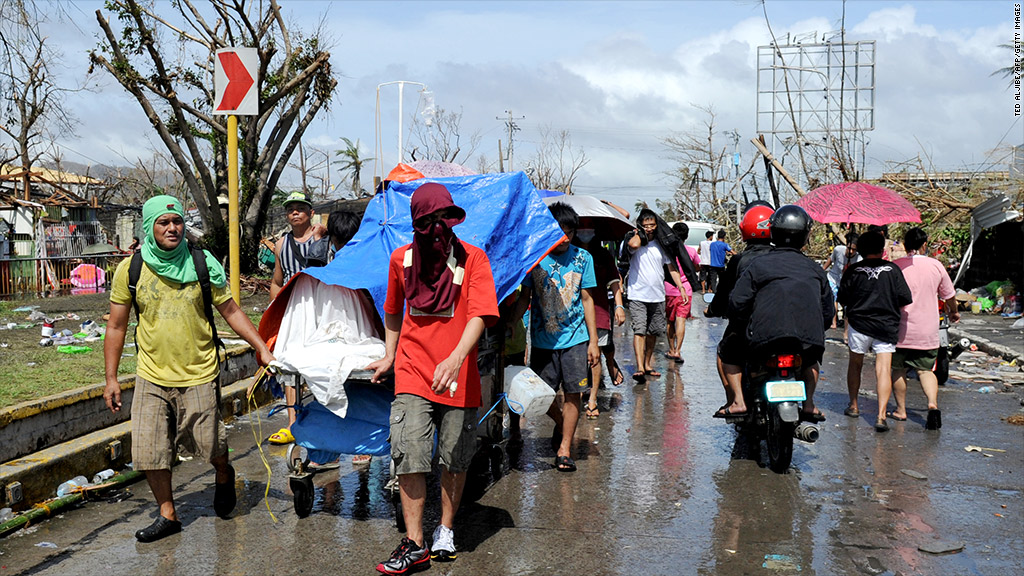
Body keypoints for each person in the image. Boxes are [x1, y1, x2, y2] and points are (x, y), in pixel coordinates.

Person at [102, 195, 275, 543]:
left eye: (177, 221)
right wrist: (110, 378)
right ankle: (168, 514)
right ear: (149, 227)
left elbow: (231, 311)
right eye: (163, 223)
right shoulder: (131, 269)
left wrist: (262, 348)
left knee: (210, 446)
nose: (172, 228)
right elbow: (117, 326)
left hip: (199, 371)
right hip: (151, 374)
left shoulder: (202, 262)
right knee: (150, 450)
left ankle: (224, 473)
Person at [365, 183, 498, 574]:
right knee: (410, 451)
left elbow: (479, 314)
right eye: (428, 221)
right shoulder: (400, 260)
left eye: (445, 219)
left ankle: (444, 529)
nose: (437, 228)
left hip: (458, 372)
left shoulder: (473, 258)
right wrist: (390, 354)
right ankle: (414, 543)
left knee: (455, 456)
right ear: (416, 223)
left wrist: (457, 358)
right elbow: (392, 310)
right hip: (412, 369)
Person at [728, 205, 834, 422]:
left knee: (728, 351)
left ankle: (738, 402)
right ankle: (810, 404)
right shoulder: (816, 270)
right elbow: (827, 311)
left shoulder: (758, 265)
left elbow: (737, 303)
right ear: (805, 237)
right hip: (807, 341)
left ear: (773, 232)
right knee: (811, 361)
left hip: (764, 339)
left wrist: (742, 326)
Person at [515, 202, 600, 470]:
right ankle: (564, 423)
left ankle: (564, 449)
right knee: (542, 395)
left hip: (576, 339)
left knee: (574, 393)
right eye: (559, 232)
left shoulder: (583, 258)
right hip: (542, 341)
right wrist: (509, 322)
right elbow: (525, 298)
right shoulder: (535, 259)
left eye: (569, 232)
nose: (565, 238)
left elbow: (587, 300)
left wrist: (594, 342)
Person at [837, 230, 913, 432]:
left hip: (859, 325)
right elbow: (905, 298)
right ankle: (880, 416)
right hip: (886, 325)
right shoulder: (893, 270)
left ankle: (853, 405)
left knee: (855, 364)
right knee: (883, 370)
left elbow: (843, 299)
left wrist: (847, 275)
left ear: (860, 250)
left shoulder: (853, 270)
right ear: (882, 250)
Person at [267, 191, 327, 446]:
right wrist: (275, 309)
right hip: (292, 310)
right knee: (289, 364)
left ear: (310, 213)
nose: (295, 212)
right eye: (290, 208)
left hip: (321, 307)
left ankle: (324, 422)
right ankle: (292, 423)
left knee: (321, 365)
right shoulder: (282, 244)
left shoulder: (324, 237)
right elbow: (276, 281)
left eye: (300, 208)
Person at [707, 202, 775, 417]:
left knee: (724, 352)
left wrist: (713, 310)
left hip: (748, 326)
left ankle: (735, 401)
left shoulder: (740, 260)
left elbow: (725, 293)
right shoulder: (786, 257)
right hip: (785, 325)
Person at [891, 227, 959, 430]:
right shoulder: (936, 266)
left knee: (898, 369)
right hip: (927, 330)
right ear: (924, 245)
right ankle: (932, 405)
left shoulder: (896, 267)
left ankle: (901, 410)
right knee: (925, 370)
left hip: (900, 330)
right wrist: (954, 312)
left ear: (905, 245)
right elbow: (949, 295)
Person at [623, 209, 687, 383]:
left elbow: (671, 267)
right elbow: (633, 246)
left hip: (658, 295)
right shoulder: (634, 241)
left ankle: (647, 363)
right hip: (637, 293)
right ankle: (639, 367)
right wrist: (639, 233)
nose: (649, 228)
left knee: (653, 332)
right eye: (646, 225)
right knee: (639, 330)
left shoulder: (661, 244)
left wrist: (680, 286)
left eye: (652, 225)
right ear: (640, 226)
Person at [573, 222, 625, 420]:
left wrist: (619, 306)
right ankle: (576, 396)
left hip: (600, 311)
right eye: (581, 230)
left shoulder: (603, 255)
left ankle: (593, 399)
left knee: (595, 357)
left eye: (589, 230)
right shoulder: (570, 253)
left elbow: (614, 282)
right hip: (574, 315)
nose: (585, 233)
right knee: (577, 358)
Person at [664, 222, 700, 363]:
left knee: (669, 321)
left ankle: (671, 349)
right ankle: (678, 351)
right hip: (686, 290)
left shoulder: (668, 251)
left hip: (669, 289)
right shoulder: (690, 251)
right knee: (681, 320)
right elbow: (697, 267)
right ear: (687, 236)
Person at [823, 232, 859, 329]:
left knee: (846, 303)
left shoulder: (859, 258)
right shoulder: (838, 250)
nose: (851, 251)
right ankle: (833, 322)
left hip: (846, 282)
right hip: (834, 278)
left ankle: (846, 326)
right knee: (833, 298)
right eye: (849, 248)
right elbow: (830, 260)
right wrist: (822, 271)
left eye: (854, 250)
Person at [706, 229, 734, 293]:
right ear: (724, 237)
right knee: (722, 280)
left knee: (713, 280)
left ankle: (714, 292)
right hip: (721, 266)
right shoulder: (725, 245)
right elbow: (732, 252)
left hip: (712, 265)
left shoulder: (712, 244)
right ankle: (720, 292)